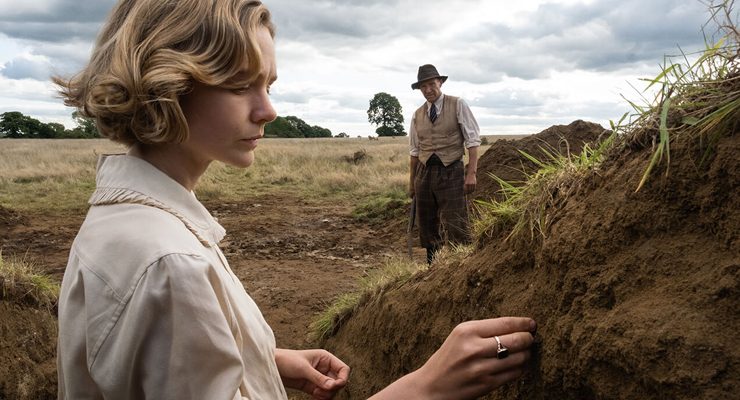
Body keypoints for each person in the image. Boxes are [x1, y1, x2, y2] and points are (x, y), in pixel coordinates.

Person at [53, 1, 535, 399]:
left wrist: (260, 362)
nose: (268, 109)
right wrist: (427, 388)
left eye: (269, 84)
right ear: (168, 84)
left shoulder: (118, 221)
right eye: (241, 84)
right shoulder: (169, 264)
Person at [408, 64, 481, 264]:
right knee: (427, 223)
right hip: (424, 173)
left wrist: (471, 173)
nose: (428, 90)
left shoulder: (458, 104)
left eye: (432, 84)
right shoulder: (417, 114)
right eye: (423, 87)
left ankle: (462, 264)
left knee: (456, 220)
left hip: (451, 170)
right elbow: (415, 151)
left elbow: (472, 141)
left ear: (440, 82)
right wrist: (412, 181)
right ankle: (434, 267)